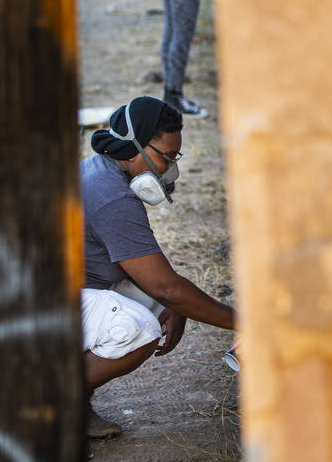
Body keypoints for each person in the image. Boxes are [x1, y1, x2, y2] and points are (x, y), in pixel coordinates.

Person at [81, 96, 236, 438]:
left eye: (174, 157)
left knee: (161, 302)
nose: (170, 168)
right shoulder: (112, 197)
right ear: (134, 148)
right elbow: (166, 287)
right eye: (166, 157)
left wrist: (173, 301)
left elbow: (159, 280)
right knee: (139, 329)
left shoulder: (104, 171)